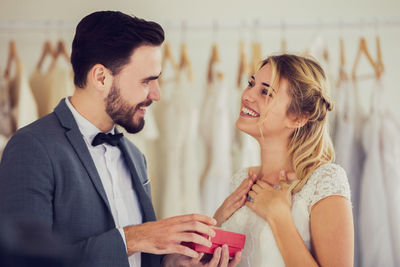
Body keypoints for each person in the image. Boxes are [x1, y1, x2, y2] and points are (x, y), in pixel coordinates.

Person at [0, 11, 241, 267]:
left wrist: (170, 263)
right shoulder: (32, 148)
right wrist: (132, 238)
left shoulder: (136, 157)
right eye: (147, 81)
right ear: (101, 78)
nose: (157, 94)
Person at [213, 54, 354, 266]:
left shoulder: (324, 181)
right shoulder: (242, 179)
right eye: (251, 84)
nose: (247, 95)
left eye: (265, 92)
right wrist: (216, 221)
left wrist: (279, 217)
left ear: (298, 117)